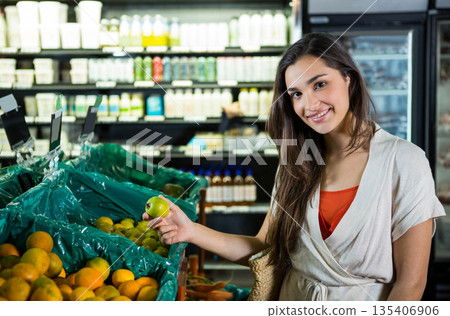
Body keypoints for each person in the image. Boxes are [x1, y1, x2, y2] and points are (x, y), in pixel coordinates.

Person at [142, 33, 446, 301]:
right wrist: (190, 231)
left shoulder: (404, 161)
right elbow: (263, 248)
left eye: (320, 84)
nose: (309, 104)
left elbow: (411, 283)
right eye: (296, 94)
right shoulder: (296, 162)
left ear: (349, 79)